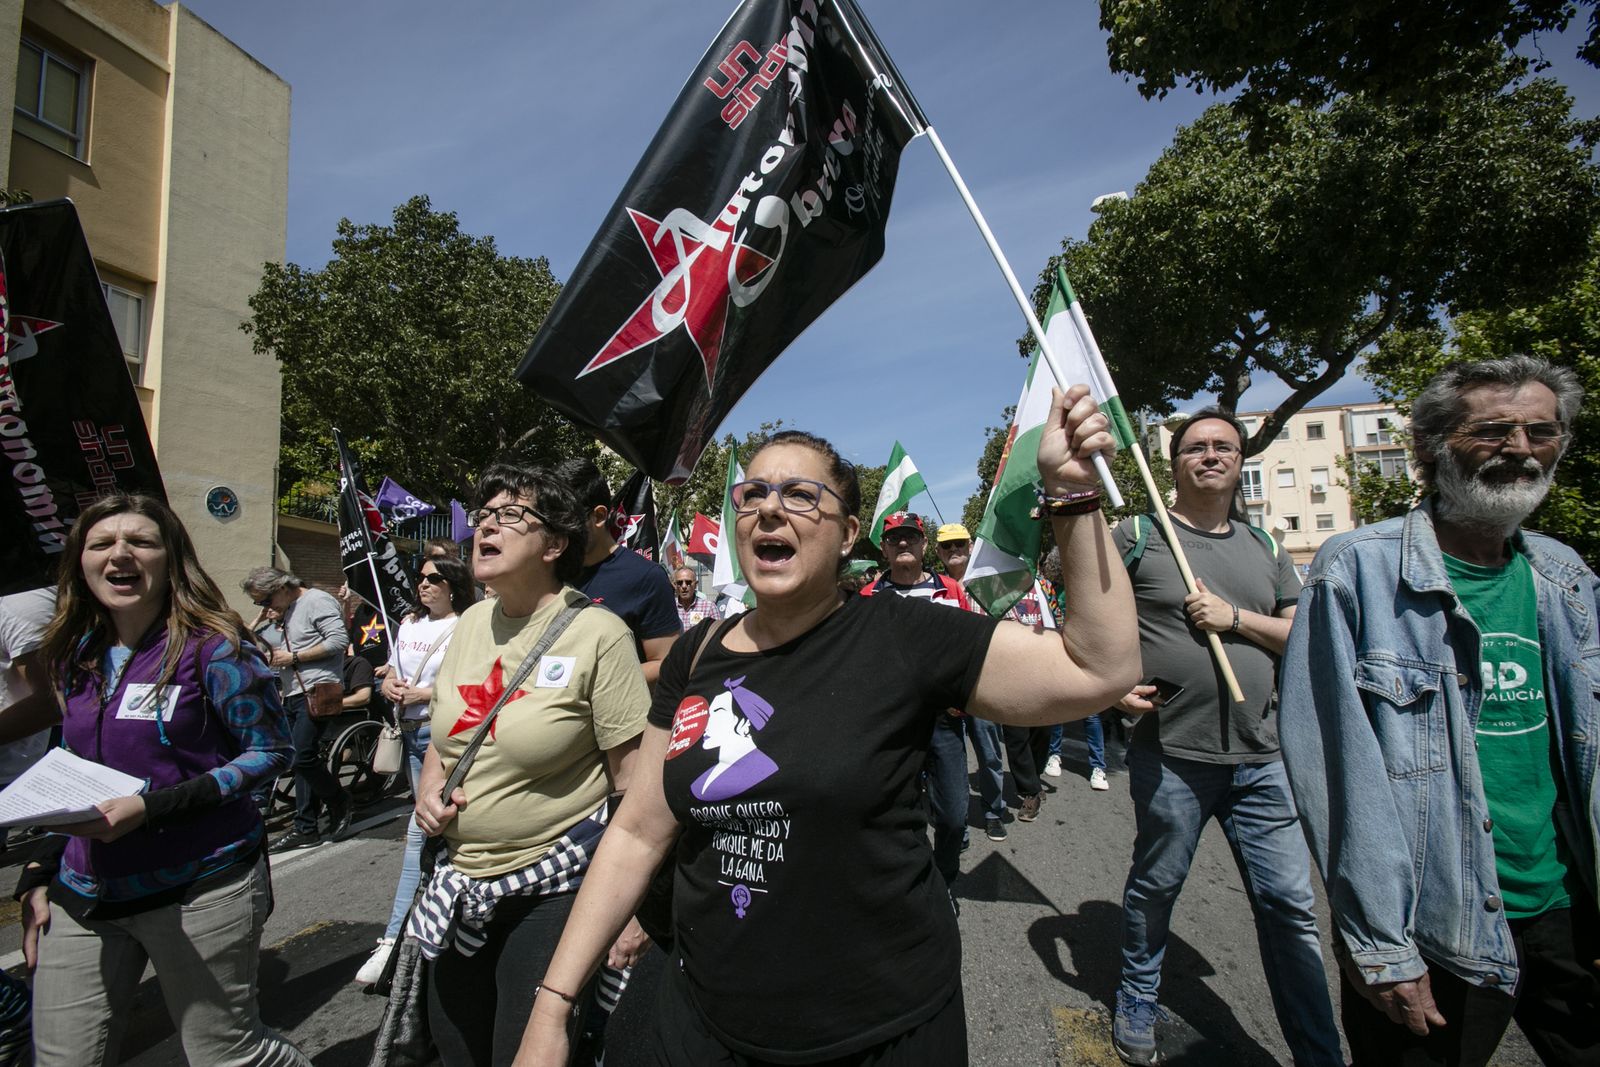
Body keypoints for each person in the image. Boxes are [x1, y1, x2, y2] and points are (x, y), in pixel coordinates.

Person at [515, 385, 1141, 1066]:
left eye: (800, 495)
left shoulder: (907, 635)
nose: (768, 510)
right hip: (705, 1023)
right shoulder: (695, 655)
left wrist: (1074, 499)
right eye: (751, 494)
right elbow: (638, 829)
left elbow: (1098, 669)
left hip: (881, 1030)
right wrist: (553, 1001)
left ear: (847, 535)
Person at [1279, 356, 1600, 1067]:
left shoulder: (1567, 577)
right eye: (1492, 430)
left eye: (1542, 430)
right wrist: (1381, 946)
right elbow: (1334, 774)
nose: (1521, 447)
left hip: (1568, 909)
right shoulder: (1355, 571)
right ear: (1429, 446)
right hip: (1435, 925)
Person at [17, 491, 307, 1066]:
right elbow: (69, 771)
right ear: (80, 560)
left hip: (202, 885)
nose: (120, 554)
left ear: (169, 557)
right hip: (85, 892)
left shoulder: (215, 650)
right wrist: (38, 870)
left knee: (228, 1056)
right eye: (101, 543)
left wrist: (154, 807)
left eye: (140, 541)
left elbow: (270, 753)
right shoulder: (70, 653)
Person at [1108, 407, 1341, 1067]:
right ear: (1174, 461)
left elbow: (1301, 632)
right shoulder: (1140, 534)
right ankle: (1138, 996)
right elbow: (1093, 624)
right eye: (1197, 446)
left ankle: (1319, 1051)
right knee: (1157, 887)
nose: (1211, 455)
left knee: (1290, 907)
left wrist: (1233, 617)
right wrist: (1111, 689)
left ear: (1241, 461)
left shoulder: (1266, 547)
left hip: (1264, 757)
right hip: (1172, 755)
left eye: (1225, 447)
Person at [411, 463, 651, 1067]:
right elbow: (444, 736)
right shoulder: (467, 623)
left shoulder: (600, 634)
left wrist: (635, 910)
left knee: (523, 1051)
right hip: (460, 879)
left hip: (556, 886)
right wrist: (429, 789)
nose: (486, 525)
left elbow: (635, 786)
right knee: (453, 1046)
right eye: (483, 515)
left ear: (554, 544)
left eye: (510, 515)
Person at [353, 554, 475, 986]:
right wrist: (386, 684)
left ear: (454, 584)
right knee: (428, 834)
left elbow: (472, 680)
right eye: (421, 578)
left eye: (434, 578)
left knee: (417, 834)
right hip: (404, 733)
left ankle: (393, 943)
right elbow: (391, 669)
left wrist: (427, 691)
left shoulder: (467, 624)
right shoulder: (407, 625)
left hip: (437, 734)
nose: (424, 584)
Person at [861, 512, 982, 886]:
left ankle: (945, 881)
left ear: (924, 543)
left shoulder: (952, 590)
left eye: (910, 536)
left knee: (953, 818)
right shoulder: (866, 599)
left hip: (944, 723)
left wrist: (961, 697)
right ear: (883, 547)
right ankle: (912, 888)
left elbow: (971, 650)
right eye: (894, 538)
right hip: (892, 728)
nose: (903, 543)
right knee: (893, 817)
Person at [242, 567, 352, 851]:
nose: (265, 606)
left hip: (317, 688)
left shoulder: (316, 601)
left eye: (265, 600)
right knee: (300, 759)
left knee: (302, 756)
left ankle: (339, 801)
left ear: (281, 587)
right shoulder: (288, 610)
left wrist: (295, 656)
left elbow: (339, 641)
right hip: (293, 691)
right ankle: (306, 826)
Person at [554, 458, 682, 686]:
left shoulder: (646, 578)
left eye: (566, 522)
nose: (557, 533)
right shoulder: (549, 571)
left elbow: (666, 662)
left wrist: (593, 684)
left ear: (599, 516)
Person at [931, 523, 1007, 843]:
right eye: (947, 547)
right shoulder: (934, 588)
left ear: (970, 545)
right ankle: (956, 823)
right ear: (938, 552)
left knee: (989, 753)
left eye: (960, 544)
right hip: (946, 690)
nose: (954, 551)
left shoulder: (989, 585)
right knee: (951, 760)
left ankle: (993, 812)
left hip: (982, 685)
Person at [1037, 547, 1109, 789]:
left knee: (1090, 712)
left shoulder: (1086, 589)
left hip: (1084, 655)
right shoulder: (1047, 589)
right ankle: (1054, 755)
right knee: (1058, 709)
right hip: (1056, 653)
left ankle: (1098, 766)